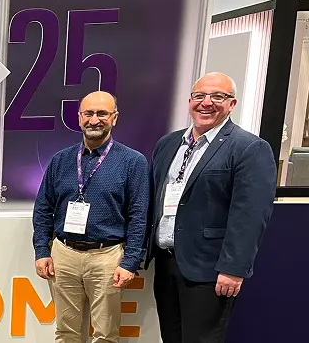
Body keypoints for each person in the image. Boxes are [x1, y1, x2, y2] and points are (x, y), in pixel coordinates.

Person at [144, 72, 277, 343]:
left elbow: (250, 216)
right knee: (171, 337)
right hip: (167, 262)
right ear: (190, 101)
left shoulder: (249, 148)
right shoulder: (168, 144)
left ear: (232, 104)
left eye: (218, 96)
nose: (207, 102)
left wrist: (233, 269)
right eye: (200, 96)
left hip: (209, 268)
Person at [32, 91, 150, 343]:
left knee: (106, 335)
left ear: (114, 118)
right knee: (65, 332)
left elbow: (139, 215)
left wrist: (130, 262)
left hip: (107, 256)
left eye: (102, 113)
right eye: (89, 113)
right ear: (79, 118)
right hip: (63, 255)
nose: (94, 120)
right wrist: (42, 250)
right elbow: (43, 208)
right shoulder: (61, 160)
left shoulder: (133, 161)